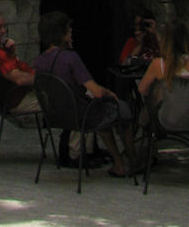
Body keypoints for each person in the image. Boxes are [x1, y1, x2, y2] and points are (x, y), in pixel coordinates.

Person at [33, 10, 135, 177]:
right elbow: (96, 91)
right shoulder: (70, 58)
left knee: (105, 114)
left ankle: (119, 163)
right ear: (62, 34)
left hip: (56, 115)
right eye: (68, 30)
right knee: (121, 108)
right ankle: (132, 158)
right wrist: (109, 92)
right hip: (82, 115)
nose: (71, 33)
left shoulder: (39, 61)